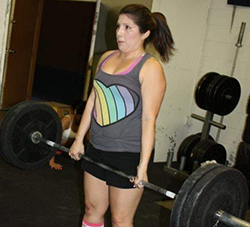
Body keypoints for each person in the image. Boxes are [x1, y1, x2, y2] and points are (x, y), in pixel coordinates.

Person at [69, 4, 175, 227]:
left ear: (145, 33)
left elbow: (148, 119)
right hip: (97, 148)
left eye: (128, 28)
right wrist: (79, 139)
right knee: (92, 210)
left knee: (120, 220)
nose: (119, 32)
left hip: (128, 154)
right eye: (119, 26)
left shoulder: (150, 68)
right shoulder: (106, 58)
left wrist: (143, 166)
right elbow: (93, 101)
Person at [49, 98, 86, 170]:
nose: (83, 120)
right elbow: (53, 138)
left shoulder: (86, 124)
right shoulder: (66, 121)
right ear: (75, 112)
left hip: (66, 152)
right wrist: (51, 162)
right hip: (53, 149)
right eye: (81, 117)